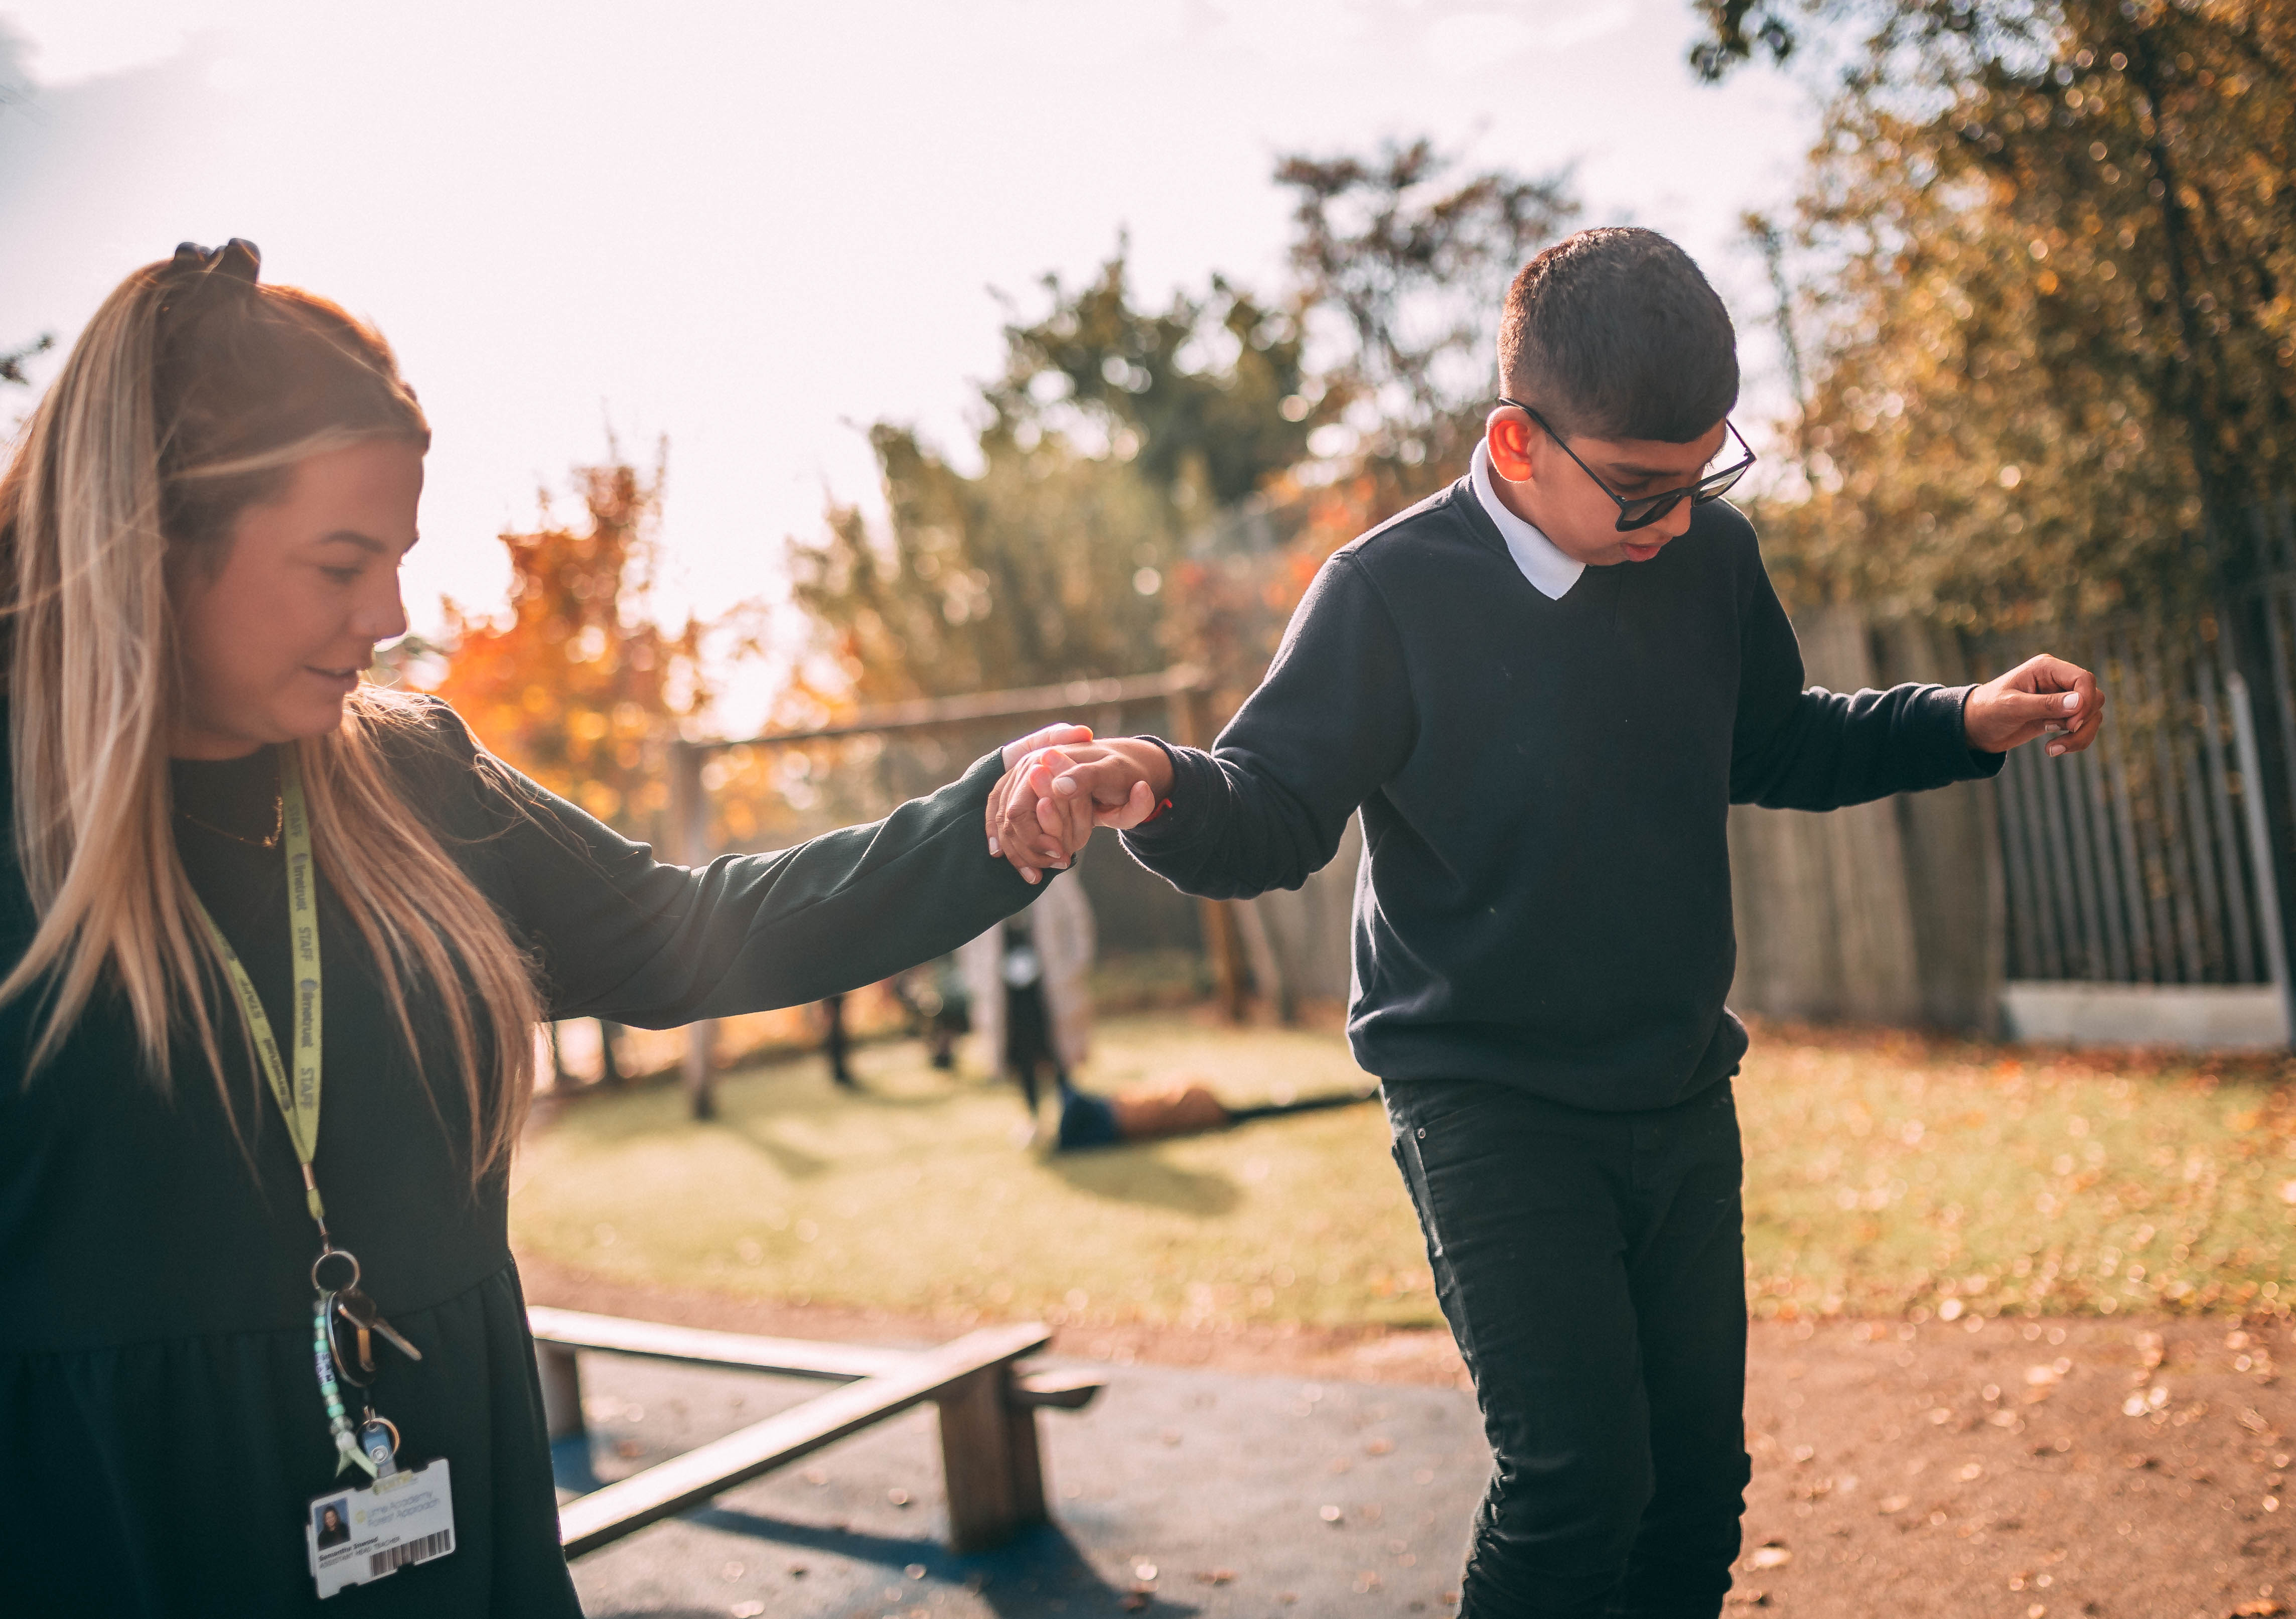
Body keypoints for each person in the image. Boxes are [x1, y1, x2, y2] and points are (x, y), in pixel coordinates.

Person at [989, 227, 2107, 1618]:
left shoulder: (1708, 563)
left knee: (1695, 1487)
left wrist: (1958, 719)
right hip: (1486, 1101)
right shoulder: (1390, 592)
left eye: (1704, 476)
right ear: (1517, 445)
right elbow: (1270, 809)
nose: (1677, 518)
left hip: (1675, 1084)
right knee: (1579, 1481)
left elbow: (1771, 744)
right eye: (1640, 489)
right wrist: (1153, 782)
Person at [0, 240, 1074, 1616]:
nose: (388, 618)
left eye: (397, 559)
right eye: (341, 563)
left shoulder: (410, 775)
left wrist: (983, 829)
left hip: (455, 1530)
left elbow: (686, 934)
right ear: (152, 539)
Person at [958, 864, 1094, 1120]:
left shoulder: (1055, 875)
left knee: (1058, 1048)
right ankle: (1033, 1115)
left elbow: (1078, 921)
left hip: (1049, 985)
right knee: (1020, 1053)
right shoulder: (979, 883)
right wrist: (979, 982)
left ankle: (1070, 1112)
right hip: (1007, 994)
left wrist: (1074, 967)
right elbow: (969, 944)